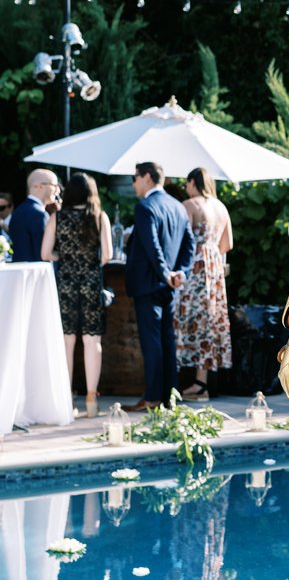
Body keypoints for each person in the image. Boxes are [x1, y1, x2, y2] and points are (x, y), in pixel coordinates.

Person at [41, 172, 113, 418]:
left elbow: (44, 253)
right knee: (92, 341)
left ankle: (66, 398)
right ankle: (92, 398)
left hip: (66, 283)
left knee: (66, 341)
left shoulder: (57, 218)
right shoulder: (99, 217)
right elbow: (107, 255)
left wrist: (63, 257)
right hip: (91, 282)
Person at [124, 162, 195, 412]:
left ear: (146, 177)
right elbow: (190, 243)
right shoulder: (178, 206)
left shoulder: (145, 207)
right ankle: (169, 397)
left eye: (135, 177)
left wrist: (166, 274)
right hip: (169, 285)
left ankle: (153, 398)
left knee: (152, 342)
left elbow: (152, 245)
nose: (133, 183)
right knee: (167, 340)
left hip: (149, 283)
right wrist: (181, 273)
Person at [174, 167, 233, 397]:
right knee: (209, 322)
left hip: (194, 265)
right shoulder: (221, 207)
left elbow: (181, 238)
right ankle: (201, 381)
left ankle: (176, 378)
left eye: (186, 184)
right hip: (215, 268)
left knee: (184, 319)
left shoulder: (189, 205)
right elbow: (227, 244)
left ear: (192, 183)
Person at [9, 169, 61, 261]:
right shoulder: (39, 214)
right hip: (36, 272)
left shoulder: (18, 211)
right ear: (39, 186)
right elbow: (42, 253)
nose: (58, 190)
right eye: (54, 185)